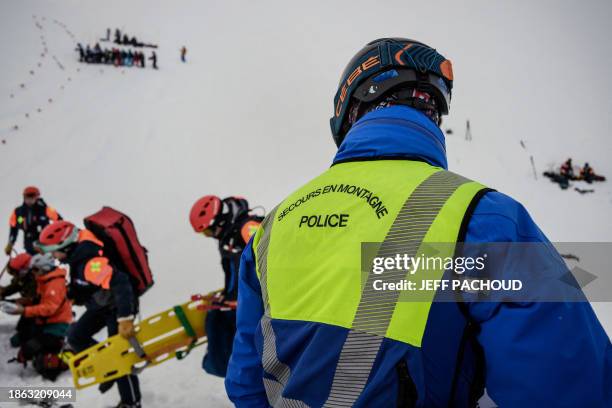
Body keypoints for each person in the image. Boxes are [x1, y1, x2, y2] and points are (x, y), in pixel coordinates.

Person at [224, 38, 612, 407]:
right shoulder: (485, 218)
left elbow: (246, 379)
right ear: (435, 115)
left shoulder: (274, 226)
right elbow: (563, 385)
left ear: (349, 112)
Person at [38, 221, 141, 408]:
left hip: (118, 307)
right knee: (76, 336)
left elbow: (121, 283)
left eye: (54, 250)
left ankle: (131, 403)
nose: (52, 255)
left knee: (119, 354)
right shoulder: (76, 257)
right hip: (101, 304)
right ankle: (108, 367)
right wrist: (74, 294)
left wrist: (125, 318)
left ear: (67, 247)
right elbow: (84, 283)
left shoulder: (90, 263)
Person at [189, 196, 262, 377]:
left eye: (208, 231)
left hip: (256, 299)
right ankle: (222, 366)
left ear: (219, 221)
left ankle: (230, 368)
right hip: (240, 298)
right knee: (215, 317)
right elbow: (233, 270)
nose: (210, 236)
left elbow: (260, 263)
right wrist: (229, 295)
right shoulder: (229, 234)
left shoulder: (247, 228)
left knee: (222, 321)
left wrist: (241, 297)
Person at [1, 253, 72, 380]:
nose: (32, 272)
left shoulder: (54, 284)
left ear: (43, 268)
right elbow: (39, 300)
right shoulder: (44, 279)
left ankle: (64, 353)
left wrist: (24, 310)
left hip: (57, 324)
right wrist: (21, 302)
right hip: (44, 321)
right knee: (22, 339)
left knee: (39, 359)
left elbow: (49, 308)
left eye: (35, 269)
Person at [5, 186, 62, 255]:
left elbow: (60, 222)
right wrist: (10, 243)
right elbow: (13, 227)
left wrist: (58, 239)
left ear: (37, 197)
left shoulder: (45, 209)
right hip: (29, 246)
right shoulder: (18, 212)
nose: (29, 200)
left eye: (32, 197)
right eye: (27, 197)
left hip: (45, 247)